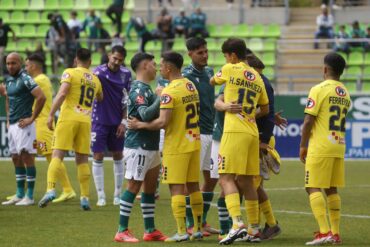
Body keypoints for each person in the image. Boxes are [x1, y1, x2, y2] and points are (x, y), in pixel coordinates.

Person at [128, 51, 204, 242]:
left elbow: (162, 122)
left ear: (168, 68)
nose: (160, 68)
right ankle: (196, 229)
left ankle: (181, 231)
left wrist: (141, 125)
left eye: (161, 65)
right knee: (194, 187)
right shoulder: (190, 85)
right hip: (194, 142)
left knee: (177, 189)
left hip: (177, 146)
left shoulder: (170, 91)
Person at [210, 38, 269, 244]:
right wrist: (249, 112)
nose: (226, 59)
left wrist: (228, 102)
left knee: (225, 177)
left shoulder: (230, 68)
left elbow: (212, 81)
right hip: (252, 132)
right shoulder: (257, 76)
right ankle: (254, 229)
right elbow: (266, 109)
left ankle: (237, 224)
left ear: (233, 56)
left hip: (234, 131)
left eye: (226, 56)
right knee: (246, 180)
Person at [38, 48, 103, 210]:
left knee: (57, 154)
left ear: (76, 60)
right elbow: (100, 98)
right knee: (82, 160)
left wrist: (50, 114)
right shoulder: (95, 79)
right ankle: (85, 197)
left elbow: (61, 94)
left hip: (68, 119)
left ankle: (51, 189)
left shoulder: (70, 73)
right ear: (90, 61)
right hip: (85, 121)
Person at [114, 52, 167, 243]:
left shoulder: (146, 89)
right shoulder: (138, 90)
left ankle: (150, 230)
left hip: (150, 145)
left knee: (150, 189)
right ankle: (121, 230)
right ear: (144, 65)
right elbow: (144, 114)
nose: (156, 67)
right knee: (134, 186)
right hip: (139, 145)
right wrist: (160, 98)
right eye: (153, 64)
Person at [300, 52, 350, 245]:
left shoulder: (319, 89)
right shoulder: (345, 92)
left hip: (320, 146)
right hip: (338, 146)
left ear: (325, 69)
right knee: (331, 189)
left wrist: (303, 145)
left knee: (311, 186)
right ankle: (335, 233)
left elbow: (307, 121)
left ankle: (323, 231)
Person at [24, 54, 76, 203]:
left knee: (51, 156)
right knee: (37, 155)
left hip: (42, 126)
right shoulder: (42, 80)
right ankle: (25, 193)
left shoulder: (40, 80)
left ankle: (67, 189)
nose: (26, 68)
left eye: (27, 65)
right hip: (37, 126)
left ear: (33, 66)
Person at [181, 37, 218, 236]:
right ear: (190, 54)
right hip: (195, 134)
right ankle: (190, 223)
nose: (204, 55)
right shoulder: (186, 76)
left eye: (205, 51)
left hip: (212, 132)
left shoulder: (211, 72)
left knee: (212, 179)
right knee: (192, 182)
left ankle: (201, 221)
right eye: (200, 53)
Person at [2, 52, 46, 206]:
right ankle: (19, 194)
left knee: (27, 157)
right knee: (15, 157)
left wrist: (32, 118)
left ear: (20, 63)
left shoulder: (26, 78)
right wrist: (8, 119)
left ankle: (30, 196)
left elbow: (41, 97)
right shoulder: (8, 80)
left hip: (24, 124)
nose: (10, 66)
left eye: (13, 63)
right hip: (13, 125)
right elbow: (8, 98)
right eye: (8, 63)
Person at [91, 45, 131, 207]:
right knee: (98, 156)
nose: (116, 62)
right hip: (99, 121)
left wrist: (124, 121)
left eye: (120, 60)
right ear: (109, 56)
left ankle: (117, 195)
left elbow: (126, 99)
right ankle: (101, 196)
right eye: (114, 58)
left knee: (118, 155)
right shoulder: (97, 73)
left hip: (117, 123)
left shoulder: (126, 74)